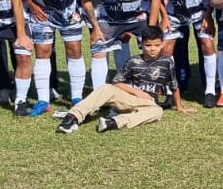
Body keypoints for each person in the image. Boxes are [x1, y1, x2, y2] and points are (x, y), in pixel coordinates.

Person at [55, 26, 193, 133]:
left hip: (146, 104)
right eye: (148, 45)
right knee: (106, 88)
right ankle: (72, 118)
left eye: (156, 45)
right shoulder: (134, 61)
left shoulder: (167, 62)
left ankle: (112, 122)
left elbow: (174, 86)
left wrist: (179, 107)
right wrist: (136, 92)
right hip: (127, 99)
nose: (152, 49)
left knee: (157, 112)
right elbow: (117, 83)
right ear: (141, 44)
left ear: (162, 44)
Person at [154, 0, 219, 105]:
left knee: (207, 44)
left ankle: (210, 91)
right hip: (174, 14)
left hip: (200, 12)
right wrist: (164, 17)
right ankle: (170, 91)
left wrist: (208, 16)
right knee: (166, 49)